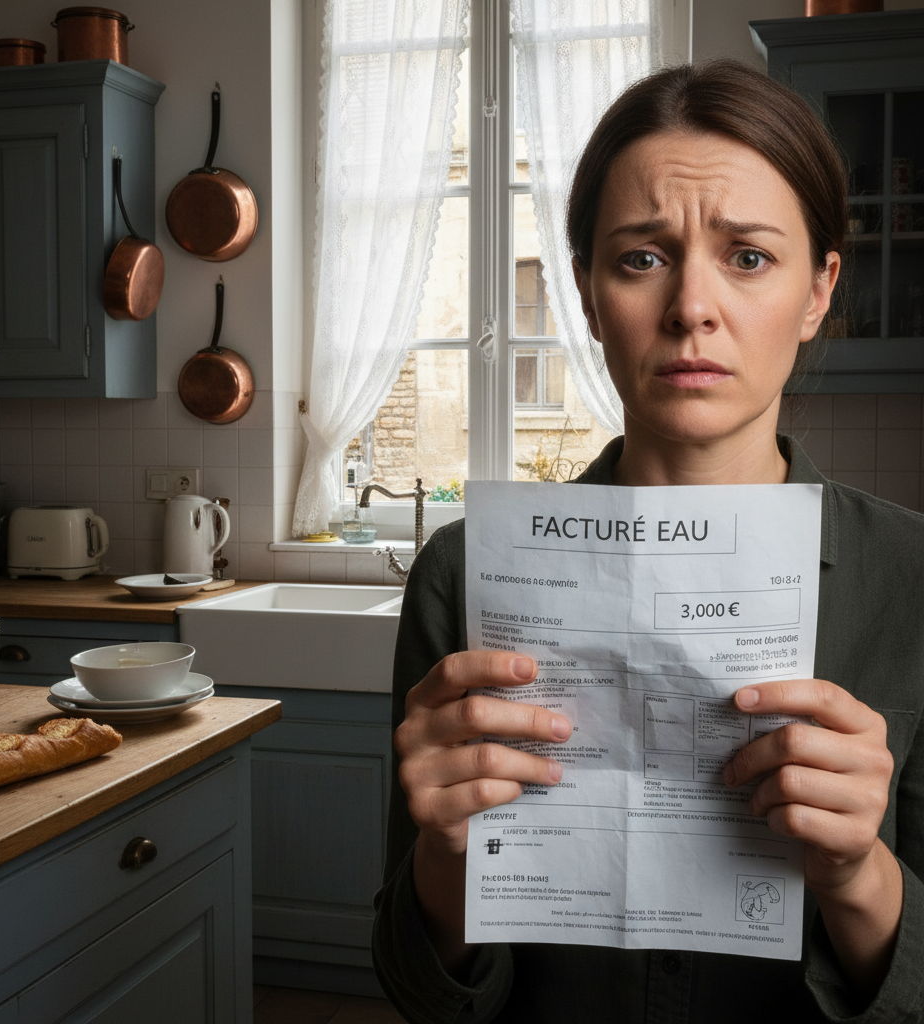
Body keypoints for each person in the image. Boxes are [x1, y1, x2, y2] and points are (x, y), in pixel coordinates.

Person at [372, 58, 924, 1024]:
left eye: (748, 257)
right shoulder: (460, 579)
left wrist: (857, 873)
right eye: (641, 257)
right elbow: (420, 991)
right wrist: (444, 855)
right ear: (587, 293)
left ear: (818, 289)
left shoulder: (915, 581)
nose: (691, 308)